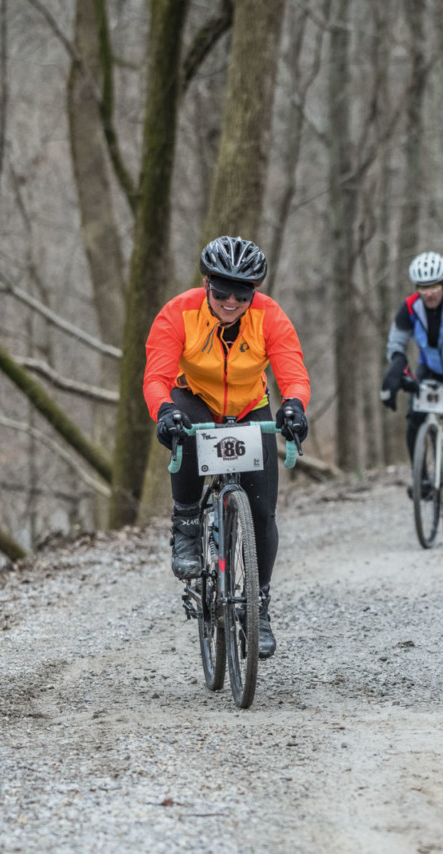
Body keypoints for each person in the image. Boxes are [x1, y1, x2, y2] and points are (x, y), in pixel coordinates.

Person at [144, 235, 310, 660]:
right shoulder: (178, 313)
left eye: (243, 292)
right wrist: (164, 411)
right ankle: (185, 524)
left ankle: (258, 606)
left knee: (262, 512)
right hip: (193, 398)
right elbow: (156, 377)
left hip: (249, 405)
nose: (232, 300)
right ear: (205, 283)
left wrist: (293, 406)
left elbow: (292, 369)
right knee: (189, 432)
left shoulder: (270, 316)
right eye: (221, 290)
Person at [380, 251, 443, 497]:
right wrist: (397, 371)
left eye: (434, 286)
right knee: (414, 418)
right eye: (423, 287)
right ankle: (421, 478)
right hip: (431, 369)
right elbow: (396, 345)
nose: (429, 293)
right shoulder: (409, 308)